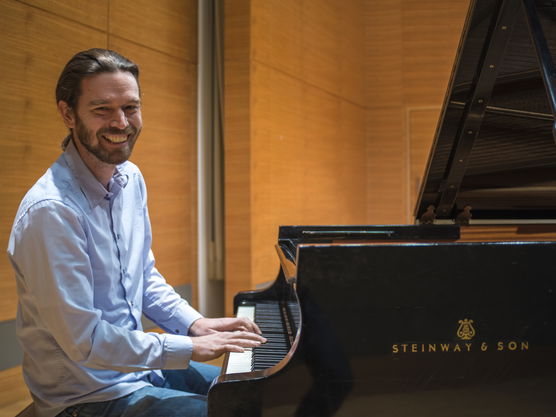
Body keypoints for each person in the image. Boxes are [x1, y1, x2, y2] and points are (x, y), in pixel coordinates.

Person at [7, 48, 265, 417]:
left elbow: (144, 278)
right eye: (102, 109)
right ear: (68, 113)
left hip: (141, 372)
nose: (121, 122)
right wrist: (188, 348)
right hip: (86, 396)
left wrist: (195, 323)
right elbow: (87, 341)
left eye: (130, 107)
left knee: (257, 399)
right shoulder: (52, 211)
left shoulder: (131, 179)